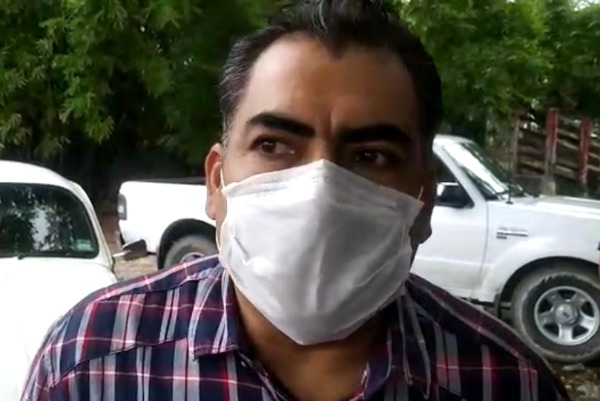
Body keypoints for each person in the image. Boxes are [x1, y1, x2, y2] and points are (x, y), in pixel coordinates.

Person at [21, 1, 569, 400]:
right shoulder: (89, 361)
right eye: (273, 145)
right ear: (216, 183)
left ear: (423, 200)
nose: (320, 190)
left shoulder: (508, 381)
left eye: (371, 155)